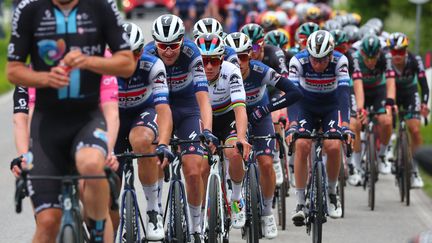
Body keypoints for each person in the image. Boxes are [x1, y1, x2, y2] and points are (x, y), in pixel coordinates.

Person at [6, 0, 135, 242]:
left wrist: (88, 61)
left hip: (86, 119)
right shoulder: (29, 9)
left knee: (90, 165)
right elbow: (12, 71)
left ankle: (97, 228)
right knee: (47, 222)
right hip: (47, 126)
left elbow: (127, 64)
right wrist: (45, 78)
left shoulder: (101, 7)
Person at [144, 14, 218, 242]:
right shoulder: (147, 55)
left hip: (187, 109)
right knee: (153, 151)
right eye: (162, 46)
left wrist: (207, 130)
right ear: (155, 42)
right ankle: (154, 211)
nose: (168, 51)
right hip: (158, 107)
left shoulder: (191, 53)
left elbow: (204, 98)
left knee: (194, 169)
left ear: (182, 41)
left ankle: (196, 225)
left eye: (173, 45)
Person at [225, 31, 303, 239]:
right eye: (233, 58)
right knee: (232, 153)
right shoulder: (220, 73)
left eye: (243, 57)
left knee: (266, 164)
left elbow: (295, 92)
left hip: (260, 117)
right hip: (232, 118)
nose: (238, 62)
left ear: (250, 55)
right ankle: (236, 198)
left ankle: (267, 213)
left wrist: (267, 109)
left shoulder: (260, 70)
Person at [111, 22, 174, 241]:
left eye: (137, 53)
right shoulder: (103, 68)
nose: (131, 59)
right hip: (114, 118)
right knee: (108, 186)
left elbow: (164, 109)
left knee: (142, 140)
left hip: (143, 113)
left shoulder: (153, 65)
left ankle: (152, 211)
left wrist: (164, 144)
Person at [287, 30, 353, 223]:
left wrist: (346, 126)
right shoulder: (297, 61)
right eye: (314, 59)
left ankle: (332, 192)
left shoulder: (340, 61)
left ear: (331, 55)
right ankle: (300, 202)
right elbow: (292, 95)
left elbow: (343, 94)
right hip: (305, 107)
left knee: (333, 145)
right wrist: (292, 124)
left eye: (322, 60)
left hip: (330, 108)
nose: (317, 64)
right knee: (302, 145)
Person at [195, 33, 251, 229]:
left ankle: (236, 198)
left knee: (233, 151)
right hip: (202, 119)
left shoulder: (232, 71)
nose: (209, 66)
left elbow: (240, 109)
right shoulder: (190, 72)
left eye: (214, 61)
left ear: (222, 59)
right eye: (204, 61)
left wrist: (242, 138)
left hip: (228, 117)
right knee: (199, 165)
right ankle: (199, 214)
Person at [240, 23, 290, 186]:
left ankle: (275, 159)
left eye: (255, 46)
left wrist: (282, 110)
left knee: (275, 116)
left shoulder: (274, 53)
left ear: (262, 45)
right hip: (249, 94)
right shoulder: (239, 56)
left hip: (272, 90)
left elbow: (285, 86)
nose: (251, 51)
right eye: (248, 47)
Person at [387, 32, 430, 188]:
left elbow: (424, 85)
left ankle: (415, 169)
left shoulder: (414, 60)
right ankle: (389, 148)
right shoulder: (386, 61)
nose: (397, 56)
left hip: (410, 93)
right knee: (387, 116)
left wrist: (424, 103)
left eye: (401, 52)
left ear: (406, 50)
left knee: (415, 130)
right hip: (392, 93)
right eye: (394, 52)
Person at [352, 34, 396, 174]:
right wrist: (360, 109)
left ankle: (382, 155)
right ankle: (357, 164)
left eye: (373, 58)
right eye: (367, 58)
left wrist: (390, 102)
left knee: (386, 121)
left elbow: (390, 81)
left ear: (379, 54)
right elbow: (358, 84)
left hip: (379, 89)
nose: (370, 62)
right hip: (361, 89)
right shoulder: (356, 58)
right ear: (362, 53)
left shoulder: (385, 57)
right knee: (356, 124)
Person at [330, 29, 363, 186]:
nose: (338, 53)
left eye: (342, 49)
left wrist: (361, 108)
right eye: (335, 49)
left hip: (345, 90)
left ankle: (352, 164)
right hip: (326, 90)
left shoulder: (351, 58)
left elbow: (357, 83)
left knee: (354, 124)